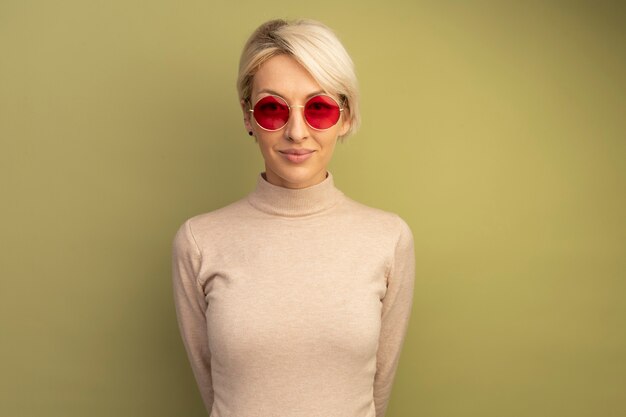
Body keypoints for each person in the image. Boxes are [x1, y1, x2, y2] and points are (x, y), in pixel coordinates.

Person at [172, 18, 415, 417]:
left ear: (346, 117)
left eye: (318, 108)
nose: (297, 132)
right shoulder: (199, 241)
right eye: (272, 109)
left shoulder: (388, 239)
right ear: (249, 117)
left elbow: (378, 392)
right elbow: (216, 392)